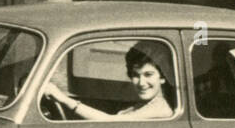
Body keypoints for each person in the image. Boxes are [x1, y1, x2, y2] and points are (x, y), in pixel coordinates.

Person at [42, 41, 174, 120]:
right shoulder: (144, 104)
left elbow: (109, 121)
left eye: (148, 75)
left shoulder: (160, 109)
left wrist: (62, 98)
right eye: (135, 75)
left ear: (162, 77)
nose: (141, 82)